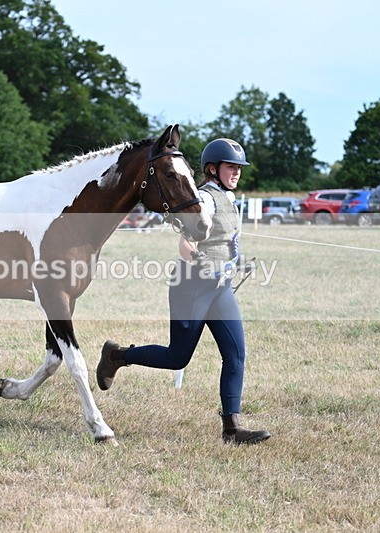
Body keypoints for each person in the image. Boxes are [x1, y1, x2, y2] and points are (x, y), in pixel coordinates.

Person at [97, 138, 271, 445]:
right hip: (192, 286)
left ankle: (232, 429)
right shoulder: (204, 198)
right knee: (178, 357)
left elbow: (224, 241)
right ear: (212, 169)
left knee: (236, 356)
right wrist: (199, 260)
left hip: (220, 290)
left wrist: (236, 262)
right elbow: (186, 243)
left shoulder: (229, 199)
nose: (236, 173)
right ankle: (117, 355)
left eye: (239, 168)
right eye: (231, 167)